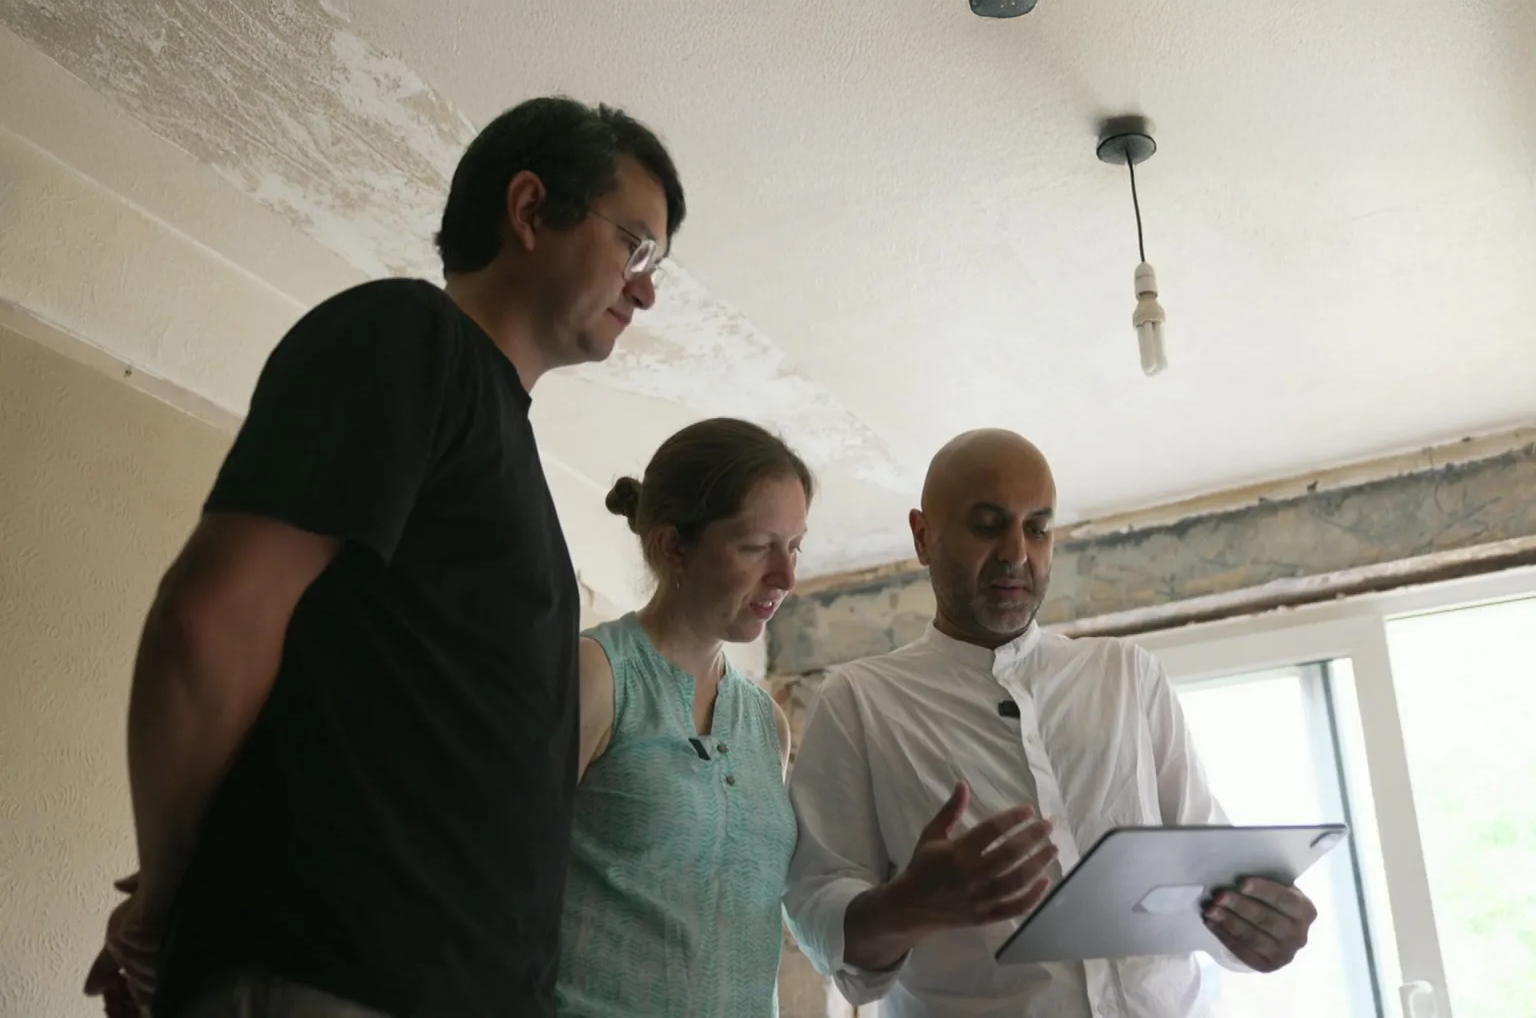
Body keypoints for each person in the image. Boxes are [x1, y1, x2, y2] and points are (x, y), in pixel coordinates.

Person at [81, 96, 686, 1018]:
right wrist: (168, 903)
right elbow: (211, 620)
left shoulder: (496, 444)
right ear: (530, 210)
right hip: (336, 980)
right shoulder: (409, 338)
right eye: (635, 246)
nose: (646, 288)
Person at [783, 429, 1319, 1018]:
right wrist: (910, 905)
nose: (1017, 553)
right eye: (988, 525)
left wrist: (1261, 927)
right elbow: (816, 913)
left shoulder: (1127, 676)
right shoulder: (859, 701)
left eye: (1036, 528)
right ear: (922, 536)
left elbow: (1206, 871)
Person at [558, 417, 812, 1017]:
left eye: (795, 547)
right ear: (674, 546)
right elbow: (497, 888)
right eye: (757, 548)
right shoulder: (596, 677)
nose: (787, 577)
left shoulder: (765, 724)